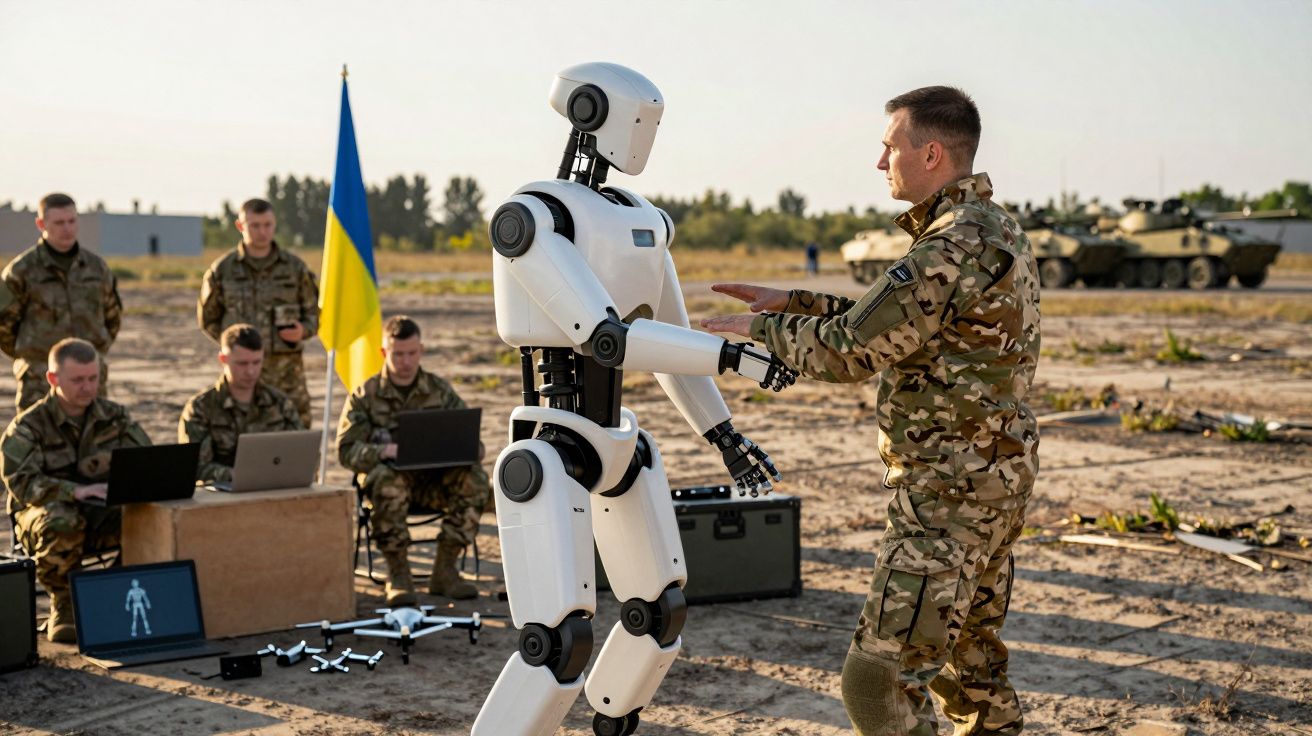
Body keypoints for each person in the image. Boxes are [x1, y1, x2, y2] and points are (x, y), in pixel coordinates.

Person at [703, 86, 1040, 736]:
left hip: (948, 496)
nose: (880, 161)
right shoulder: (992, 228)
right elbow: (904, 320)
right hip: (992, 482)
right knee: (972, 673)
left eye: (890, 147)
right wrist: (793, 303)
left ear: (931, 154)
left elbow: (851, 350)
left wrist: (759, 331)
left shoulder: (951, 244)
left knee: (876, 681)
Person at [1, 338, 151, 643]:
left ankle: (119, 586)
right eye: (78, 380)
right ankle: (65, 602)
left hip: (100, 509)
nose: (87, 387)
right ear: (53, 379)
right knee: (61, 520)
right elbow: (21, 483)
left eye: (93, 378)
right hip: (45, 515)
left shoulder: (115, 417)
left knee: (149, 514)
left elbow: (146, 460)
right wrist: (74, 491)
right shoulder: (28, 426)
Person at [336, 316, 491, 605]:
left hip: (434, 484)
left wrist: (470, 449)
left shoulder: (438, 390)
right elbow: (345, 451)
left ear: (421, 350)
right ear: (384, 352)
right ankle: (398, 575)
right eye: (398, 354)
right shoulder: (365, 396)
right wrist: (384, 452)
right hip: (390, 484)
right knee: (387, 481)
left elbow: (469, 439)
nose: (406, 362)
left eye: (411, 353)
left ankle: (445, 571)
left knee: (476, 478)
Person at [198, 198, 319, 427]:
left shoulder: (295, 268)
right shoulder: (223, 270)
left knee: (297, 437)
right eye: (255, 225)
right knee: (240, 437)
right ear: (240, 226)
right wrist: (234, 348)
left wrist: (303, 330)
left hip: (287, 376)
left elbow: (315, 313)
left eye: (267, 225)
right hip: (241, 379)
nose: (262, 232)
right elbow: (208, 319)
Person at [0, 193, 122, 410]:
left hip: (88, 380)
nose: (67, 229)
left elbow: (112, 317)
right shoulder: (21, 272)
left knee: (95, 430)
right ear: (41, 224)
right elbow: (4, 326)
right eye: (59, 223)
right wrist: (34, 356)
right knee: (36, 431)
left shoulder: (96, 268)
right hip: (39, 379)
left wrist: (93, 355)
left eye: (72, 221)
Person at [178, 324, 303, 483]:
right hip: (220, 493)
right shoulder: (201, 408)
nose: (250, 371)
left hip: (272, 488)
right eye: (242, 363)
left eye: (256, 362)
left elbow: (302, 454)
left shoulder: (279, 403)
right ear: (223, 359)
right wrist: (236, 475)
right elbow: (194, 467)